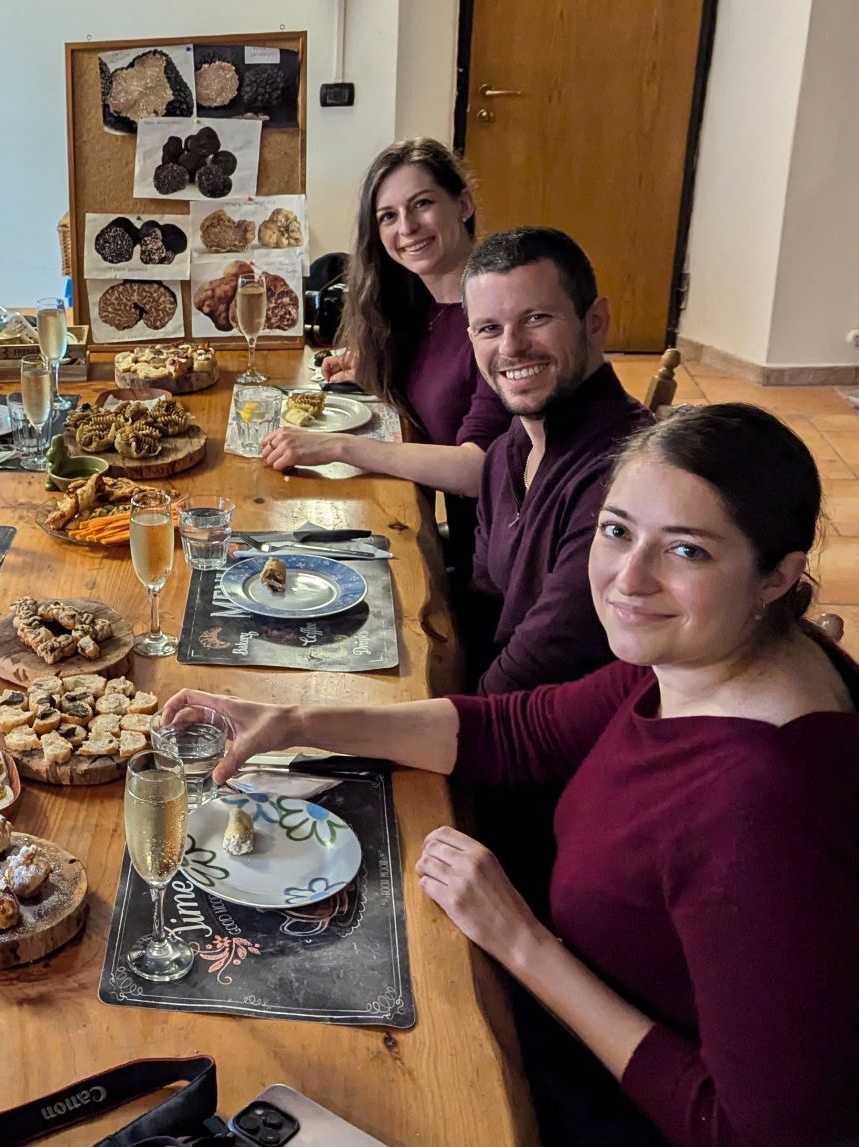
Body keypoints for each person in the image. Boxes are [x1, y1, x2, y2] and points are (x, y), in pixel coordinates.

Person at [164, 403, 859, 1146]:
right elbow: (516, 731)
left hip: (592, 1099)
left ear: (775, 575)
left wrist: (522, 941)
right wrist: (295, 721)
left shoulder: (763, 807)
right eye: (617, 530)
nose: (629, 579)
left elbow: (755, 1130)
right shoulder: (706, 660)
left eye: (687, 551)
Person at [259, 140, 511, 574]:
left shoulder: (496, 313)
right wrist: (372, 371)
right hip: (468, 540)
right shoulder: (432, 302)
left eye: (423, 204)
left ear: (464, 204)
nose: (407, 227)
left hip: (498, 565)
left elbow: (478, 467)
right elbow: (446, 390)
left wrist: (340, 446)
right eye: (388, 216)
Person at [459, 226, 652, 694]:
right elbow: (483, 602)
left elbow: (540, 665)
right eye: (490, 328)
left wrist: (444, 717)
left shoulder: (625, 476)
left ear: (596, 321)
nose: (510, 347)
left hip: (557, 737)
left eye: (536, 318)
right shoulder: (509, 449)